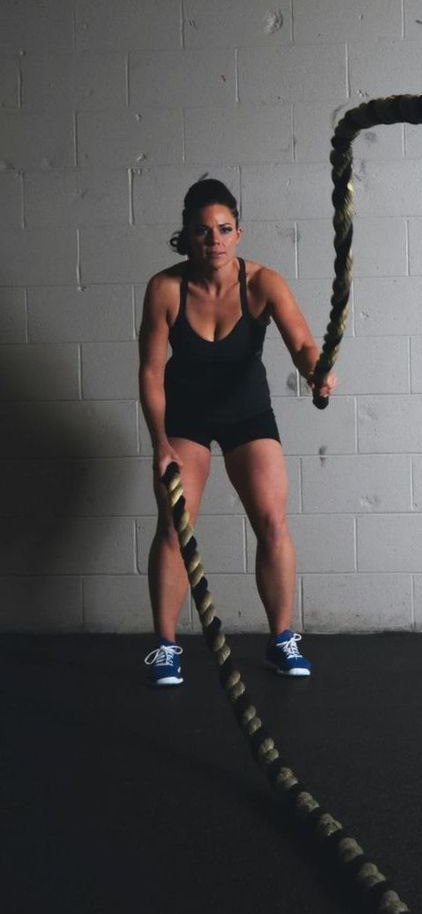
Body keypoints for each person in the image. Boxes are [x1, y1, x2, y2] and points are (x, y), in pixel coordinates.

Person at [138, 178, 337, 687]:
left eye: (224, 229)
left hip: (248, 415)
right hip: (186, 419)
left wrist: (318, 370)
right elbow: (151, 372)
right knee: (174, 527)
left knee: (273, 520)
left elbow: (302, 344)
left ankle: (282, 638)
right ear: (187, 235)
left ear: (239, 233)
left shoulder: (263, 283)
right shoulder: (165, 289)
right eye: (203, 231)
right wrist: (160, 445)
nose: (215, 240)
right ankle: (165, 646)